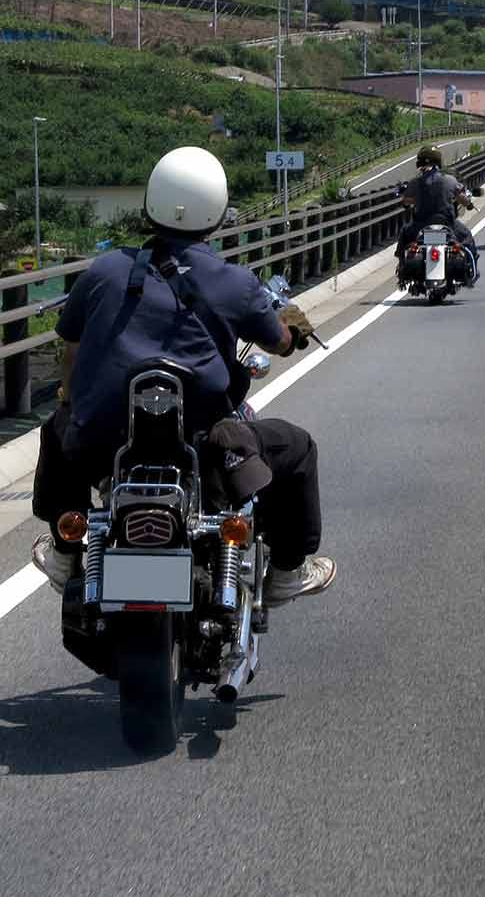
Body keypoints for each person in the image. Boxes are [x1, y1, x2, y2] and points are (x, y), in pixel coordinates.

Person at [30, 145, 336, 605]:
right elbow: (279, 342)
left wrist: (74, 403)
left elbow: (70, 352)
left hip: (105, 444)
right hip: (204, 448)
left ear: (151, 205)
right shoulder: (235, 283)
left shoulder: (105, 270)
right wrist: (292, 331)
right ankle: (288, 573)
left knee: (57, 430)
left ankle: (63, 551)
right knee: (299, 449)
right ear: (216, 212)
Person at [395, 145, 479, 284]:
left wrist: (413, 200)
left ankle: (402, 270)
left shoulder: (415, 182)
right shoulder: (450, 180)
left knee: (404, 234)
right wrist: (469, 205)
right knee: (467, 238)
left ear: (420, 163)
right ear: (438, 161)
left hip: (420, 225)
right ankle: (472, 272)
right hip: (447, 224)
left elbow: (406, 201)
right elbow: (462, 198)